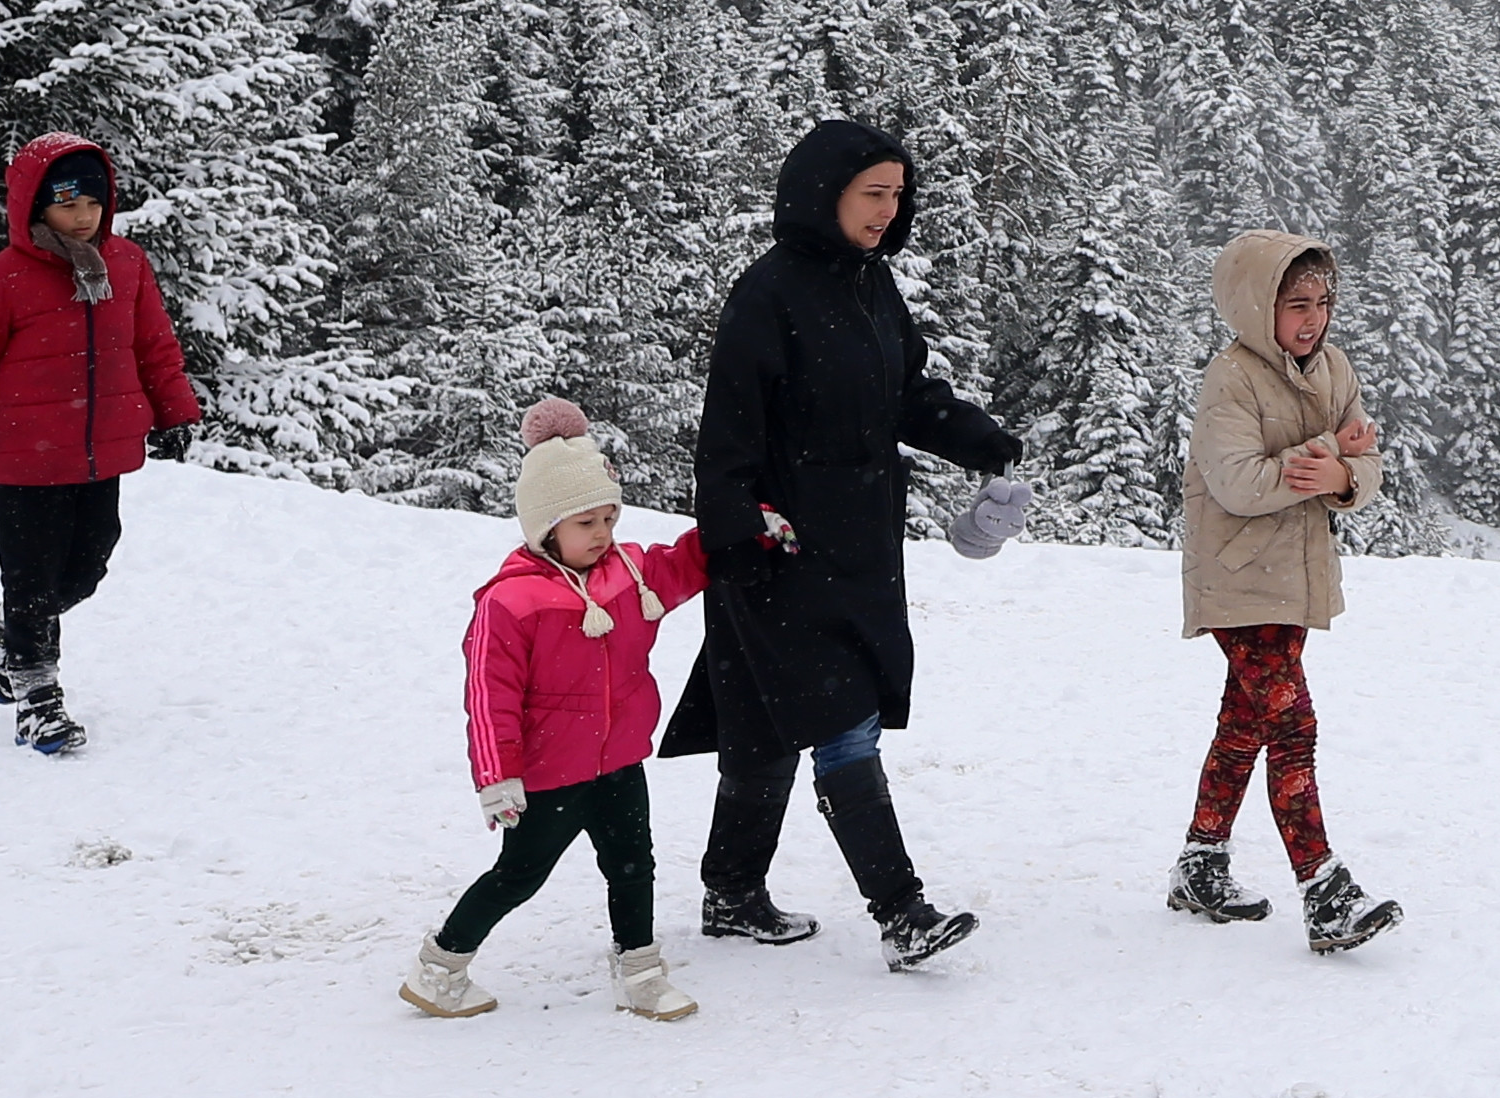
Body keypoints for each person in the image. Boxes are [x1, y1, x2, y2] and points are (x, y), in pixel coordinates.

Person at [667, 118, 1033, 971]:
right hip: (781, 549)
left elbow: (906, 394)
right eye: (875, 193)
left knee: (763, 727)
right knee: (844, 722)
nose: (888, 211)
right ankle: (902, 911)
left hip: (862, 545)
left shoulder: (875, 289)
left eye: (898, 196)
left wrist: (982, 440)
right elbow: (725, 444)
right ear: (824, 193)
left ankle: (731, 893)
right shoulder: (765, 295)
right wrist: (740, 541)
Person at [406, 400, 709, 1023]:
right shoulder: (511, 602)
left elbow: (689, 562)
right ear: (546, 528)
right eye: (584, 522)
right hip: (548, 776)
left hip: (620, 761)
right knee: (519, 876)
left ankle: (641, 971)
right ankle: (440, 967)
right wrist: (497, 778)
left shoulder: (630, 575)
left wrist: (743, 522)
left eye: (608, 517)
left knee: (633, 866)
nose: (602, 533)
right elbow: (488, 700)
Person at [0, 133, 202, 757]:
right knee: (33, 583)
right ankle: (37, 698)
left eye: (94, 203)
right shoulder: (2, 282)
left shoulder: (126, 265)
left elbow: (154, 346)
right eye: (67, 204)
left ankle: (1, 628)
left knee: (89, 564)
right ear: (33, 206)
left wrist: (175, 411)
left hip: (102, 450)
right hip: (25, 458)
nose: (83, 217)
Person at [1168, 231, 1402, 954]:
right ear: (1254, 306)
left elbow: (1367, 465)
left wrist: (1345, 478)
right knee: (1292, 725)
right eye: (1296, 304)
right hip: (1238, 577)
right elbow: (1240, 486)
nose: (1314, 318)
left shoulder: (1332, 369)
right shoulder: (1231, 378)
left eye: (1323, 302)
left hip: (1294, 576)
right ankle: (1323, 887)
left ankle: (1201, 862)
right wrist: (1334, 457)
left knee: (1246, 724)